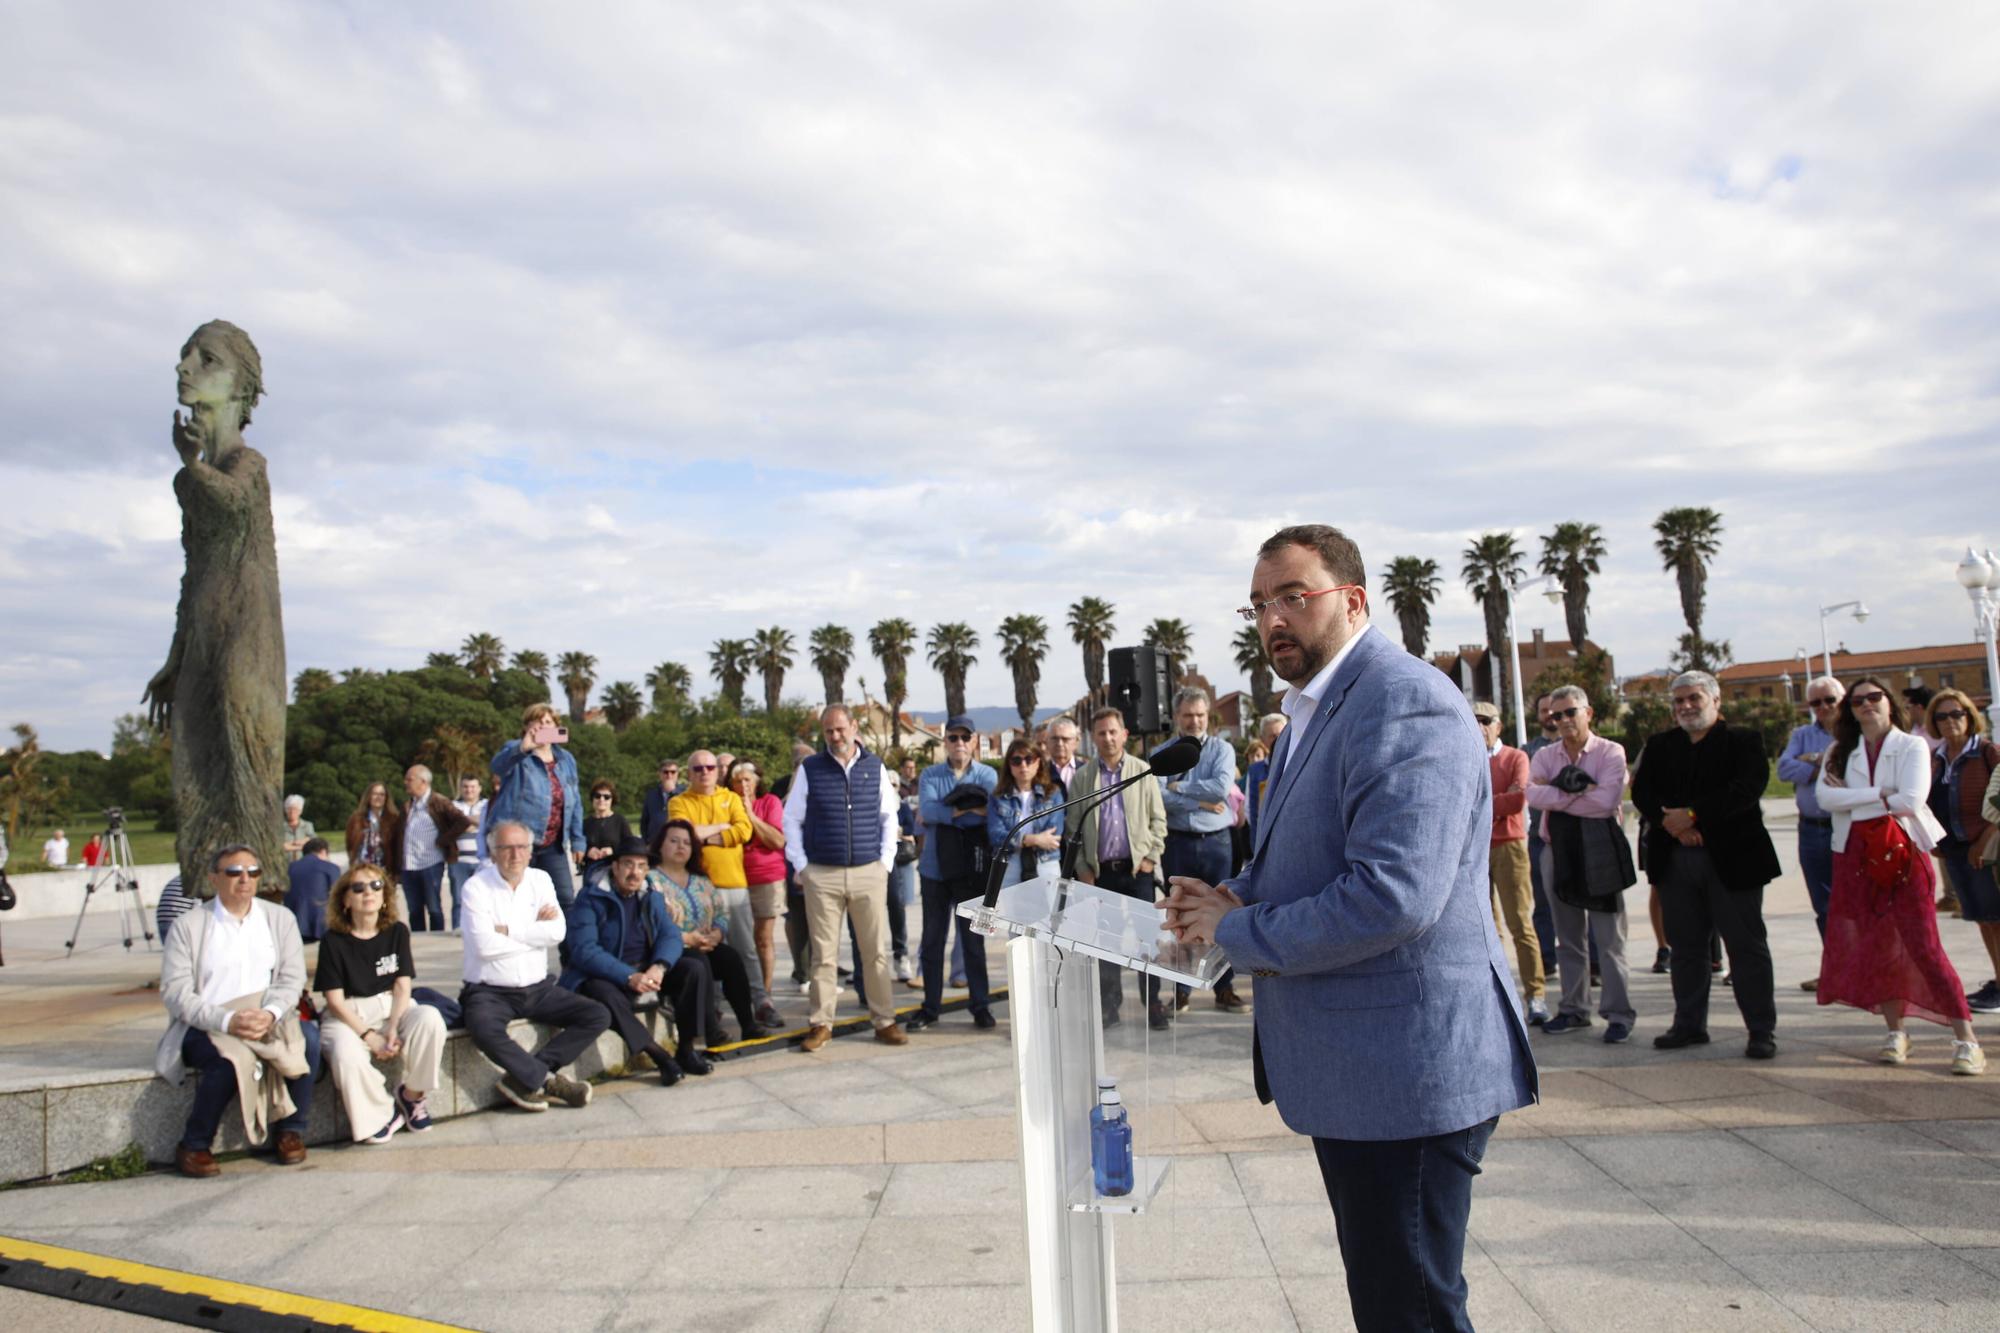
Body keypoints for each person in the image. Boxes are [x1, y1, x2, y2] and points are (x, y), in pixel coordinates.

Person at [1162, 524, 1536, 1333]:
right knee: (1394, 1299)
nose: (1272, 620)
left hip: (1405, 1071)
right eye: (1260, 603)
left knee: (1412, 1309)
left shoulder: (1403, 701)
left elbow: (1395, 895)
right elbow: (1304, 852)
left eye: (1294, 596)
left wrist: (1242, 929)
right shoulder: (1316, 709)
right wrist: (1225, 895)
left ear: (1354, 600)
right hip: (1363, 1069)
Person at [1815, 678, 1984, 1075]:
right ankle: (1896, 1032)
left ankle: (1965, 1038)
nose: (1866, 705)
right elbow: (1825, 799)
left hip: (1904, 854)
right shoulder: (1840, 751)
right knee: (1877, 946)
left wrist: (1856, 799)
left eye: (1875, 697)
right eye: (1857, 701)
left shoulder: (1911, 746)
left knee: (1924, 945)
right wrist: (1879, 795)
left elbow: (1911, 801)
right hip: (1854, 856)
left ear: (1890, 703)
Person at [1631, 671, 1782, 1059]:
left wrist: (1695, 816)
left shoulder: (1743, 741)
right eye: (1678, 701)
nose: (1685, 707)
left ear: (1715, 701)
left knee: (1746, 946)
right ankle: (1689, 1024)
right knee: (1686, 948)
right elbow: (1644, 791)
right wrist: (1674, 825)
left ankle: (1761, 1030)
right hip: (1676, 859)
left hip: (1734, 860)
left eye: (1693, 698)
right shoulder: (1661, 745)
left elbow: (1746, 789)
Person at [156, 844, 322, 1178]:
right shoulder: (189, 926)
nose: (244, 880)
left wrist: (271, 1013)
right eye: (234, 872)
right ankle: (194, 1144)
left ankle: (291, 1130)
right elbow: (175, 993)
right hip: (208, 1022)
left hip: (267, 1016)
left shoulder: (279, 918)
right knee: (228, 1062)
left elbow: (292, 978)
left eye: (252, 872)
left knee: (309, 1040)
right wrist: (228, 1020)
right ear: (214, 879)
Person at [781, 704, 907, 1052]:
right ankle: (821, 1024)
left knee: (875, 952)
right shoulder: (811, 768)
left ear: (854, 727)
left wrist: (885, 862)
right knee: (823, 955)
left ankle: (884, 1021)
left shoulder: (874, 766)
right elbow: (790, 818)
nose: (835, 737)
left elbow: (888, 815)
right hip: (823, 873)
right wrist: (802, 865)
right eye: (828, 732)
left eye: (840, 729)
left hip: (869, 871)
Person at [458, 819, 606, 1110]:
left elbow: (556, 933)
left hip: (538, 989)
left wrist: (507, 929)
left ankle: (524, 1077)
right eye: (507, 848)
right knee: (482, 1027)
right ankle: (547, 1081)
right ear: (493, 852)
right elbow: (484, 946)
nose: (515, 855)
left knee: (597, 1014)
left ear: (530, 851)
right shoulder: (476, 887)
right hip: (490, 991)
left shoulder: (540, 880)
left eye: (521, 847)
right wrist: (532, 929)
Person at [1525, 685, 1637, 1042]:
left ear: (1588, 713)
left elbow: (1606, 802)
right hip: (1557, 851)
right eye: (1556, 715)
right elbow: (1532, 793)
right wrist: (1577, 791)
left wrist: (1556, 795)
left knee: (1609, 939)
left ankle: (1619, 1014)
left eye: (1570, 712)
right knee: (1568, 938)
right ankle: (1574, 1009)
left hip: (1601, 851)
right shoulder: (1545, 755)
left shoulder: (1609, 752)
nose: (1562, 721)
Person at [560, 832, 712, 1085]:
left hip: (645, 968)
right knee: (603, 993)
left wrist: (659, 967)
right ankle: (659, 1055)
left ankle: (686, 1049)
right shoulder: (590, 897)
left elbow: (671, 935)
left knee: (693, 967)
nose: (635, 873)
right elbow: (584, 950)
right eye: (629, 864)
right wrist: (628, 976)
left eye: (642, 866)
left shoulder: (650, 894)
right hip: (605, 973)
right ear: (615, 866)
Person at [315, 863, 447, 1143]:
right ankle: (381, 1114)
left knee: (430, 1019)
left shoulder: (397, 931)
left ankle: (413, 1095)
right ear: (346, 900)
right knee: (344, 1053)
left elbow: (402, 985)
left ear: (386, 896)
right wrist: (369, 1036)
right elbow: (334, 1002)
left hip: (391, 1008)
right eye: (359, 888)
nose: (368, 893)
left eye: (376, 886)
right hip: (348, 1015)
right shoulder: (332, 941)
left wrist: (393, 1027)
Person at [1066, 706, 1169, 1029]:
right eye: (1101, 733)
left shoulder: (1143, 771)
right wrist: (1083, 868)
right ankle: (1110, 1005)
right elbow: (1074, 829)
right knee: (1106, 942)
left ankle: (1152, 1002)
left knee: (1147, 940)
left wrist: (1151, 857)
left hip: (1138, 871)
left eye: (1113, 731)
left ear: (1124, 734)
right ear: (1093, 738)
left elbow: (1158, 821)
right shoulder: (1083, 778)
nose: (1108, 738)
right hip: (1101, 874)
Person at [1159, 687, 1248, 1016]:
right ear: (1178, 717)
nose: (1194, 721)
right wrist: (1200, 801)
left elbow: (1221, 788)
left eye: (1200, 715)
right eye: (1188, 715)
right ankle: (1181, 991)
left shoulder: (1222, 749)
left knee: (1223, 916)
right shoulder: (1162, 753)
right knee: (1179, 917)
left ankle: (1224, 989)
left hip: (1216, 843)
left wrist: (1179, 787)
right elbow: (1159, 796)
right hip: (1178, 842)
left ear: (1207, 717)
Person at [649, 819, 776, 1045]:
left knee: (730, 957)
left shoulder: (700, 879)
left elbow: (720, 911)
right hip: (672, 950)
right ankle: (711, 1031)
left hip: (705, 943)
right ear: (660, 845)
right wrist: (688, 938)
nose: (681, 847)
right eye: (674, 841)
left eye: (687, 843)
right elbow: (651, 923)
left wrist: (717, 933)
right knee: (701, 963)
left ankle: (748, 1024)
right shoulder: (651, 880)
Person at [909, 715, 998, 1032]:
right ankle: (930, 1008)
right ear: (945, 742)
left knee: (973, 944)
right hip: (935, 870)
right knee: (932, 942)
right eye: (953, 738)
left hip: (971, 872)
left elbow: (990, 812)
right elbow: (927, 811)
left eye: (965, 737)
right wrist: (964, 809)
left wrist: (948, 814)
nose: (959, 743)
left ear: (974, 741)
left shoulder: (988, 774)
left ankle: (981, 1007)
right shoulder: (931, 775)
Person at [670, 751, 761, 1016]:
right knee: (706, 950)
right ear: (689, 773)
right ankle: (712, 1009)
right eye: (698, 768)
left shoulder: (730, 798)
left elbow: (744, 831)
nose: (705, 772)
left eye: (709, 767)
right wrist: (722, 826)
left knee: (746, 950)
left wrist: (705, 837)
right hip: (697, 890)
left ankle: (760, 1002)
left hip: (733, 885)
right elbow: (684, 834)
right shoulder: (679, 802)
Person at [1926, 691, 2000, 1014]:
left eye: (1956, 714)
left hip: (1986, 851)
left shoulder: (1987, 752)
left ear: (1970, 716)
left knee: (1997, 920)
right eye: (1941, 716)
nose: (1950, 721)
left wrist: (1985, 838)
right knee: (1983, 920)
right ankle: (1998, 982)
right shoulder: (1937, 758)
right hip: (1955, 852)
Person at [1476, 701, 1547, 1025]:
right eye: (1473, 719)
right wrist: (1496, 803)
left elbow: (1518, 799)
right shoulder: (1467, 755)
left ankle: (1536, 996)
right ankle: (1497, 995)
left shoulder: (1515, 757)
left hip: (1509, 846)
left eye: (1485, 720)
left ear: (1498, 725)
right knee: (1485, 928)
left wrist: (1479, 805)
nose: (1479, 726)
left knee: (1520, 924)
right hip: (1476, 849)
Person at [484, 702, 585, 910]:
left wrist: (578, 841)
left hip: (552, 844)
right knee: (514, 899)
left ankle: (568, 942)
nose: (543, 726)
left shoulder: (566, 759)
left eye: (548, 722)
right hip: (517, 842)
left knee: (565, 898)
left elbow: (575, 802)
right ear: (527, 726)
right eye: (537, 722)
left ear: (557, 727)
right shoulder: (516, 752)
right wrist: (524, 746)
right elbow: (497, 766)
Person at [1778, 677, 1844, 989]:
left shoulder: (1853, 735)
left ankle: (1862, 970)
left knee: (1857, 903)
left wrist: (1814, 761)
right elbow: (1783, 769)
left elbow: (1848, 770)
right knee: (1824, 905)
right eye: (1816, 703)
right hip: (1812, 829)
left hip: (1847, 826)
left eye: (1829, 700)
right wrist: (1824, 765)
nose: (1824, 708)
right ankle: (1835, 970)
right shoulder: (1802, 734)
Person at [731, 760, 790, 1028]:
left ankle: (764, 998)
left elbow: (778, 840)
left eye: (747, 780)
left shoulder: (770, 802)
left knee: (763, 939)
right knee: (737, 942)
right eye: (738, 780)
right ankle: (741, 994)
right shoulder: (727, 802)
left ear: (757, 781)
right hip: (735, 876)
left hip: (766, 876)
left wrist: (751, 817)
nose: (743, 785)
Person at [392, 764, 472, 933]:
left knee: (434, 907)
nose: (405, 782)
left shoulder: (438, 802)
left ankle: (436, 938)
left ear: (423, 781)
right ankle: (418, 940)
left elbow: (462, 821)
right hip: (409, 865)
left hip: (430, 863)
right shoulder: (408, 805)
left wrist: (444, 840)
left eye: (409, 779)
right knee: (414, 909)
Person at [1523, 692, 1562, 977]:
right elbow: (1528, 792)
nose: (1550, 715)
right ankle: (1546, 958)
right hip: (1538, 836)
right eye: (1544, 710)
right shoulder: (1529, 750)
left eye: (1555, 711)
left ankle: (1594, 961)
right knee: (1542, 903)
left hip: (1577, 835)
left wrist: (1549, 788)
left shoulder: (1577, 747)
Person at [888, 756, 921, 982]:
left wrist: (899, 833)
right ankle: (863, 966)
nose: (890, 789)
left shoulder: (902, 806)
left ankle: (901, 956)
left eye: (894, 785)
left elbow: (910, 830)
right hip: (870, 862)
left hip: (896, 861)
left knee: (897, 905)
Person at [284, 837, 340, 942]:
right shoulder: (330, 868)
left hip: (293, 924)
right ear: (324, 851)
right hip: (321, 926)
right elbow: (338, 895)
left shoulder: (290, 867)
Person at [449, 776, 487, 930]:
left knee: (482, 898)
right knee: (459, 898)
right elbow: (451, 825)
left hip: (481, 860)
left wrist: (464, 821)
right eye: (465, 786)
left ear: (479, 788)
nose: (469, 790)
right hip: (459, 860)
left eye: (472, 786)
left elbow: (487, 822)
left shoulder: (486, 805)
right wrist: (474, 821)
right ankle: (458, 927)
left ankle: (481, 927)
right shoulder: (453, 805)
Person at [581, 780, 634, 890]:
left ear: (612, 800)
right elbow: (578, 848)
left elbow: (630, 846)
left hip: (614, 871)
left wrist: (612, 851)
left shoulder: (620, 821)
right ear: (592, 799)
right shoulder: (585, 823)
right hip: (591, 871)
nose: (601, 800)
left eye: (606, 797)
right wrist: (588, 851)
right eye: (597, 796)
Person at [1243, 713, 1287, 838]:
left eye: (1281, 734)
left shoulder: (1300, 762)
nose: (1278, 739)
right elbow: (1250, 808)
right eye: (1273, 736)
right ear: (1263, 740)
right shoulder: (1254, 770)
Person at [345, 783, 397, 870]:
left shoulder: (393, 820)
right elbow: (349, 845)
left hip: (385, 869)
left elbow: (397, 847)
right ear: (368, 796)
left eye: (382, 794)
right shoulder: (356, 819)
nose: (378, 797)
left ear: (386, 798)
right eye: (374, 794)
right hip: (361, 868)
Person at [640, 759, 683, 845]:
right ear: (659, 774)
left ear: (677, 774)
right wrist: (646, 841)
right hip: (655, 843)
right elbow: (644, 821)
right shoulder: (651, 795)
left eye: (673, 772)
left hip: (677, 843)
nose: (669, 775)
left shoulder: (684, 794)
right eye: (665, 772)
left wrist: (673, 792)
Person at [1046, 716, 1087, 792]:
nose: (1060, 743)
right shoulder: (1040, 771)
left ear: (1076, 742)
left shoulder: (1087, 771)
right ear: (1047, 741)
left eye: (1065, 739)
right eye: (1055, 738)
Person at [279, 795, 315, 861]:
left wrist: (291, 845)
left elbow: (313, 841)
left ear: (300, 811)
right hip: (285, 862)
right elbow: (281, 846)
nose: (292, 812)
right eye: (289, 809)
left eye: (295, 809)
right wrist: (300, 846)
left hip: (303, 861)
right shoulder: (280, 826)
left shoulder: (307, 825)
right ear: (286, 810)